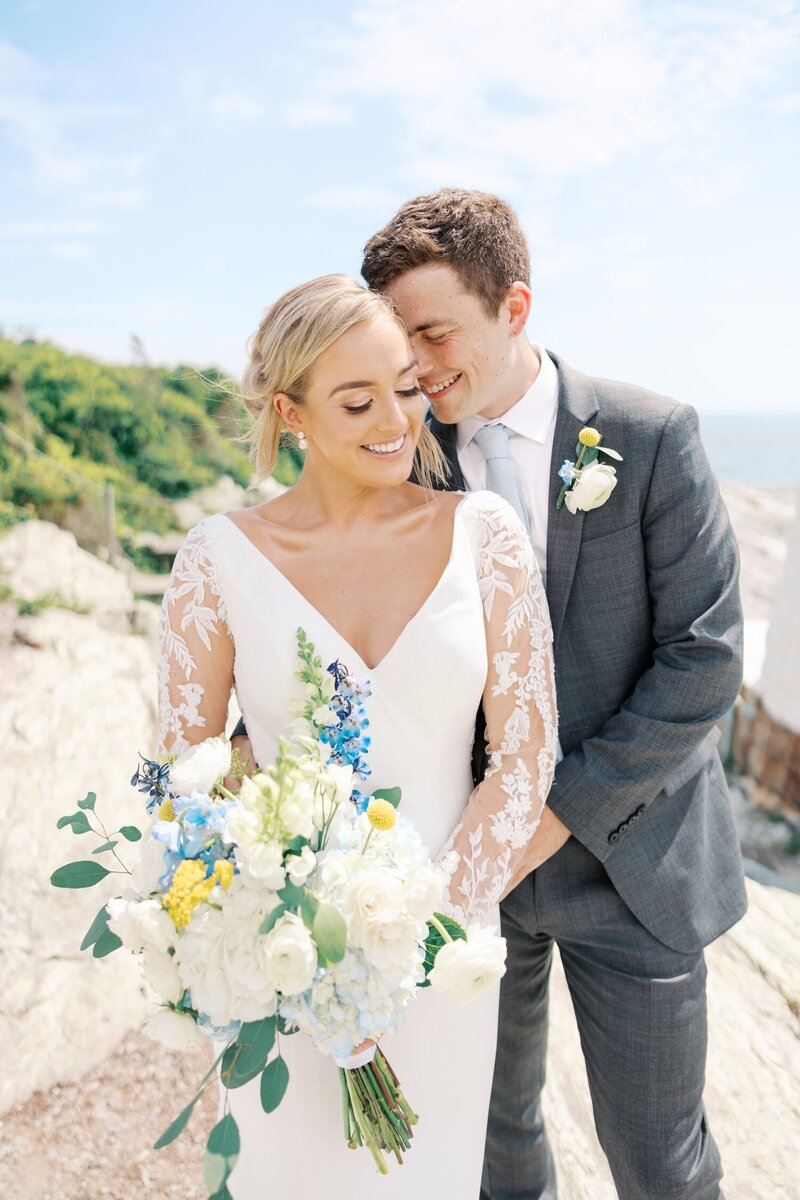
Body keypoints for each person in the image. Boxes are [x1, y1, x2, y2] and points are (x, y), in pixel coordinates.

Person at [234, 189, 746, 1199]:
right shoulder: (399, 458)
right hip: (461, 869)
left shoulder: (649, 437)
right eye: (400, 342)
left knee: (660, 1163)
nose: (416, 368)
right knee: (491, 1151)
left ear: (514, 308)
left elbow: (704, 659)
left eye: (434, 333)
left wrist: (555, 814)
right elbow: (340, 617)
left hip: (636, 865)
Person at [158, 274, 558, 1198]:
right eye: (357, 400)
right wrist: (280, 922)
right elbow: (187, 776)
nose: (397, 420)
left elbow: (526, 757)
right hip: (285, 964)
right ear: (290, 412)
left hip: (448, 960)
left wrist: (413, 937)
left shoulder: (484, 536)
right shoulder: (214, 560)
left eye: (407, 388)